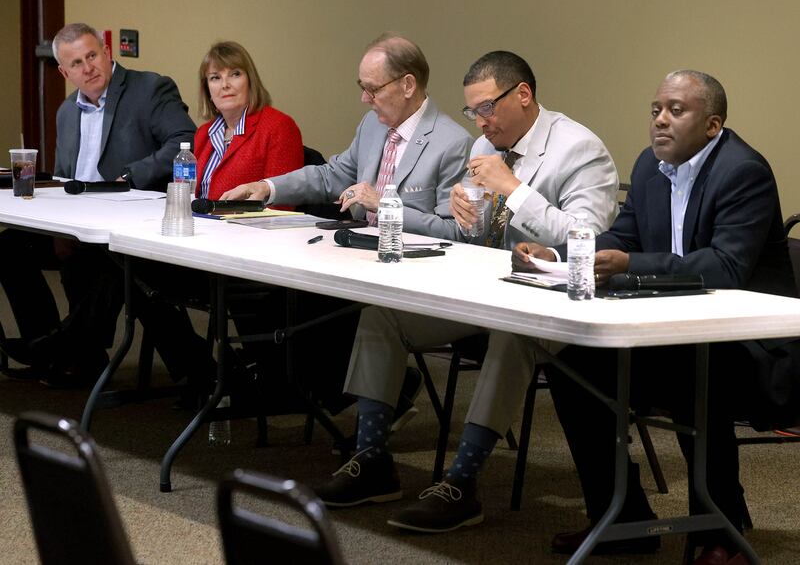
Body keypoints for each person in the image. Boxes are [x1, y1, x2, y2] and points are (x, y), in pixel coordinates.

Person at [312, 51, 619, 534]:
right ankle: (371, 460)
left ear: (523, 94)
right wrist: (462, 208)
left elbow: (588, 237)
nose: (480, 122)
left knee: (513, 333)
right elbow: (473, 236)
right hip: (483, 291)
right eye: (472, 111)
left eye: (487, 108)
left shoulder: (579, 149)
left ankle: (461, 483)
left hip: (548, 302)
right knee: (382, 316)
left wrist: (513, 188)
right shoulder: (484, 146)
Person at [515, 70, 795, 563]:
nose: (660, 120)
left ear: (712, 125)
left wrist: (631, 265)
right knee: (574, 367)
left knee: (695, 375)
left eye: (676, 110)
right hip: (672, 331)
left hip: (750, 343)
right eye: (655, 110)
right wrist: (559, 254)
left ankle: (721, 532)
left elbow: (726, 267)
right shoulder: (650, 165)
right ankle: (623, 521)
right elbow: (624, 236)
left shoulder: (743, 171)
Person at [0, 22, 197, 386]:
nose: (88, 67)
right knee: (10, 247)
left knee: (102, 264)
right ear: (64, 72)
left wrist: (130, 175)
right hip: (78, 223)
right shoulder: (66, 112)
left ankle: (65, 349)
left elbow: (184, 140)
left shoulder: (149, 88)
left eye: (92, 56)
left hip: (129, 225)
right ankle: (50, 348)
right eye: (76, 63)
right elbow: (63, 177)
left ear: (107, 53)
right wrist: (57, 227)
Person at [220, 33, 472, 240]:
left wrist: (384, 205)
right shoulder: (372, 125)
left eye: (372, 89)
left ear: (407, 85)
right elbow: (331, 176)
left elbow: (454, 231)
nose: (364, 98)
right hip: (356, 253)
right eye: (362, 87)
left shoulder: (453, 143)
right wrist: (266, 187)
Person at [194, 41, 303, 201]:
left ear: (251, 82)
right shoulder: (203, 133)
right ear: (207, 90)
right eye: (215, 77)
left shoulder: (278, 127)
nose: (225, 85)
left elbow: (281, 204)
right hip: (200, 217)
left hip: (248, 219)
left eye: (235, 74)